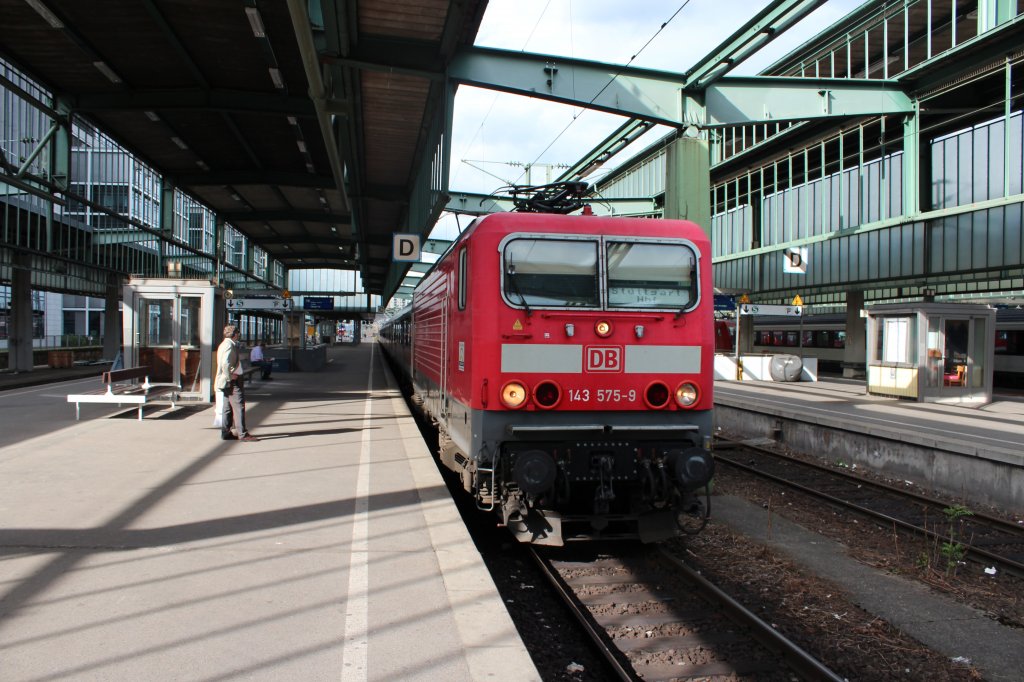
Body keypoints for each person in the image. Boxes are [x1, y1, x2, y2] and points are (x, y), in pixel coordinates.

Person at [215, 325, 258, 442]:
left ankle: (226, 432)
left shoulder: (223, 344)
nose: (239, 335)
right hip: (232, 381)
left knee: (227, 407)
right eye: (238, 333)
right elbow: (225, 363)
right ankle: (243, 434)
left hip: (224, 381)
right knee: (239, 406)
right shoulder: (229, 345)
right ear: (234, 334)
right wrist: (230, 376)